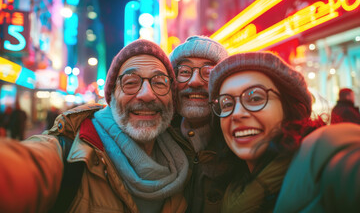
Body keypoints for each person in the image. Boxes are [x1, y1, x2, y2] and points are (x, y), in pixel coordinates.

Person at [0, 39, 189, 213]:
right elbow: (26, 168)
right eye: (130, 82)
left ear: (171, 97)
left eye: (159, 82)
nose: (147, 94)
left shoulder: (186, 159)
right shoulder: (69, 154)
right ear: (112, 96)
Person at [208, 51, 360, 212]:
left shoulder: (321, 152)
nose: (236, 113)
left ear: (289, 109)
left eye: (255, 98)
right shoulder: (230, 188)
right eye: (226, 103)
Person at [168, 35, 230, 213]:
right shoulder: (152, 145)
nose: (194, 81)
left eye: (209, 72)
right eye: (185, 72)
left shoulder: (241, 149)